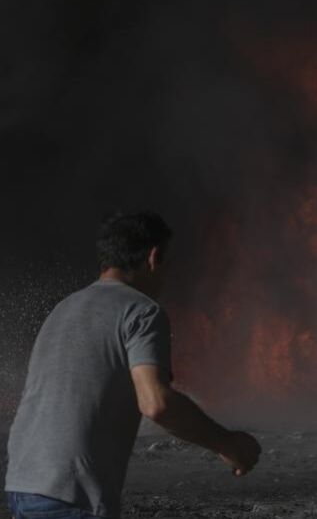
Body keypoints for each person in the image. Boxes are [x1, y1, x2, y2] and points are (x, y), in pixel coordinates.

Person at [5, 211, 261, 519]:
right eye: (168, 263)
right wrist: (228, 443)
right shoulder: (141, 310)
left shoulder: (64, 308)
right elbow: (156, 403)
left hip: (22, 487)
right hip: (73, 496)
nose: (167, 276)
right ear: (153, 257)